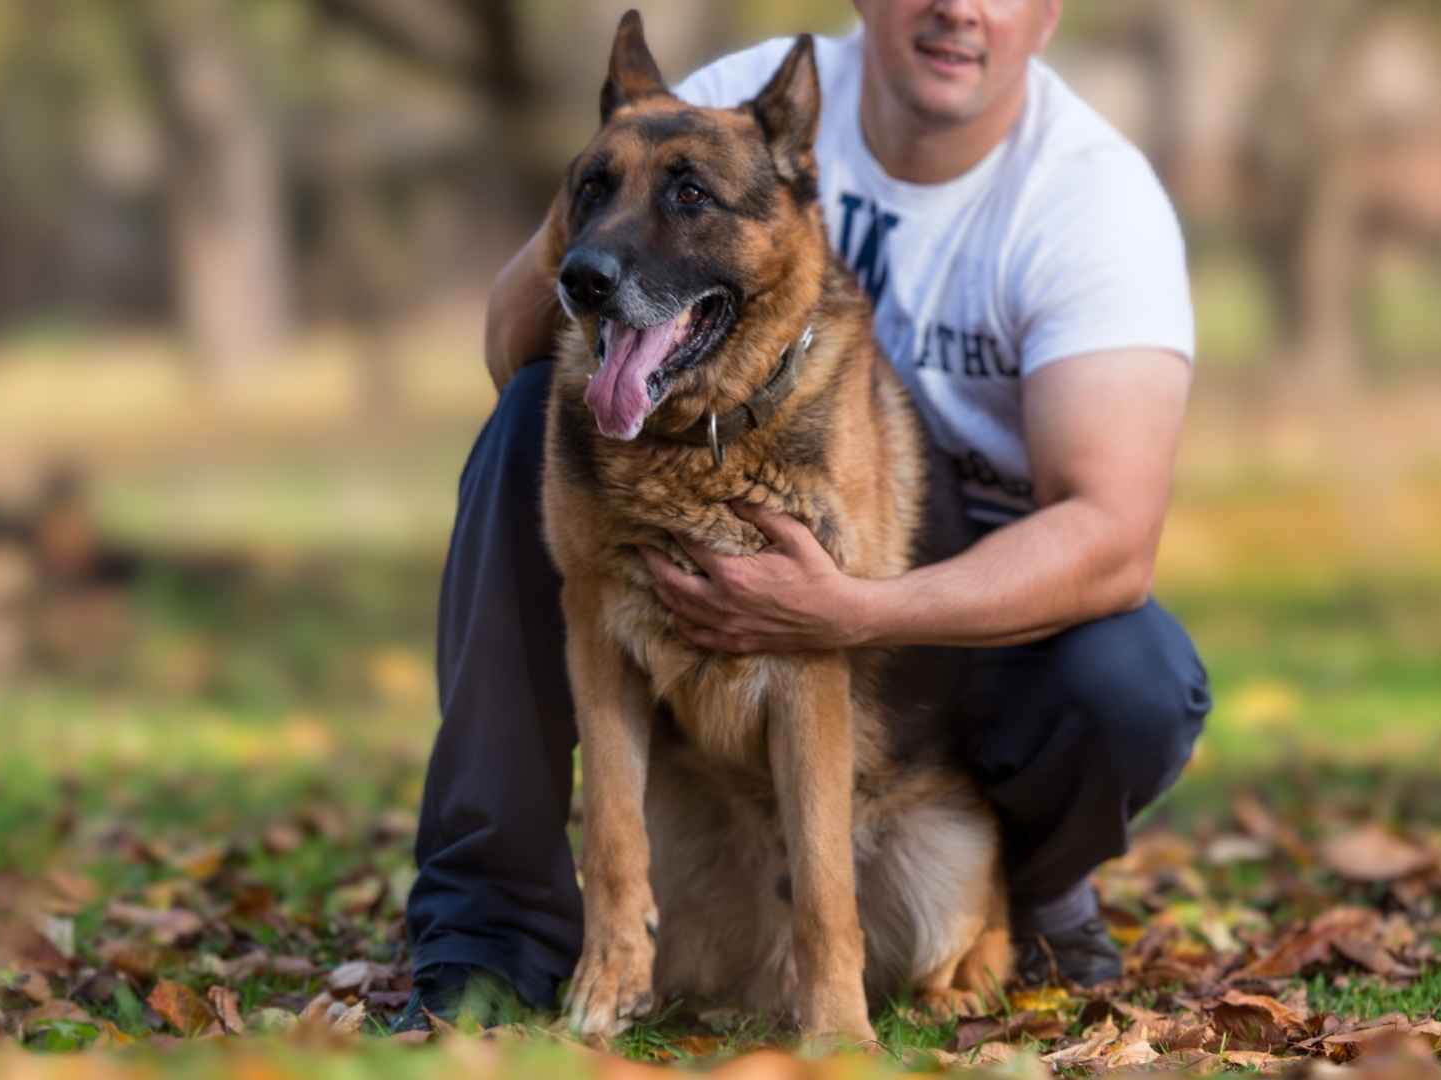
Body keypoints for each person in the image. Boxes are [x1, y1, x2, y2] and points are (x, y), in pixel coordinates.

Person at [392, 0, 1212, 1033]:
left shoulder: (1092, 201)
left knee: (1133, 678)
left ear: (1046, 14)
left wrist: (851, 611)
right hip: (705, 575)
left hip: (965, 627)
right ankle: (486, 935)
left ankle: (1040, 889)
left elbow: (1112, 536)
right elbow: (510, 342)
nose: (957, 7)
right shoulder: (727, 105)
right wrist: (595, 206)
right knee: (523, 426)